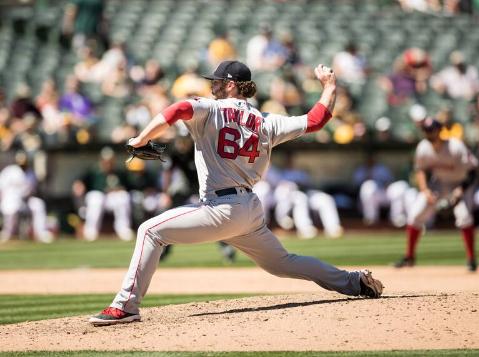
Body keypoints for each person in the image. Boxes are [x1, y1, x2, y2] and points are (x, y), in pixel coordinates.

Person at [89, 60, 383, 326]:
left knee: (150, 231)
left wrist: (140, 139)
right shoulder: (268, 120)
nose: (212, 85)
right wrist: (330, 86)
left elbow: (178, 109)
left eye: (217, 81)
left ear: (230, 84)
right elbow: (317, 119)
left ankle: (126, 305)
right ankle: (353, 282)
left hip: (221, 206)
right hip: (249, 209)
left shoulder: (210, 109)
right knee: (282, 263)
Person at [394, 117, 479, 271]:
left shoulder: (455, 146)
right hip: (439, 183)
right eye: (426, 130)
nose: (428, 133)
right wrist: (425, 190)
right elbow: (420, 170)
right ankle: (409, 257)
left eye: (431, 129)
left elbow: (473, 171)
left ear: (440, 130)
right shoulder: (423, 147)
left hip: (461, 184)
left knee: (464, 216)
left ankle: (471, 259)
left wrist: (461, 190)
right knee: (415, 215)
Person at [72, 147, 134, 241]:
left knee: (123, 197)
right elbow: (80, 183)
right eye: (106, 160)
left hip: (112, 199)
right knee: (97, 198)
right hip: (97, 197)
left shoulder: (119, 172)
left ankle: (123, 229)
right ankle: (91, 231)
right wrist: (79, 185)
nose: (108, 163)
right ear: (101, 160)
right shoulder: (93, 171)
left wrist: (117, 190)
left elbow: (126, 187)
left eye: (110, 160)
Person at [0, 152, 53, 243]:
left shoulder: (31, 173)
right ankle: (7, 233)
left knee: (38, 204)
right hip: (9, 200)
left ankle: (41, 233)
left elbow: (32, 191)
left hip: (24, 201)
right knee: (12, 206)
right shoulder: (10, 171)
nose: (22, 166)